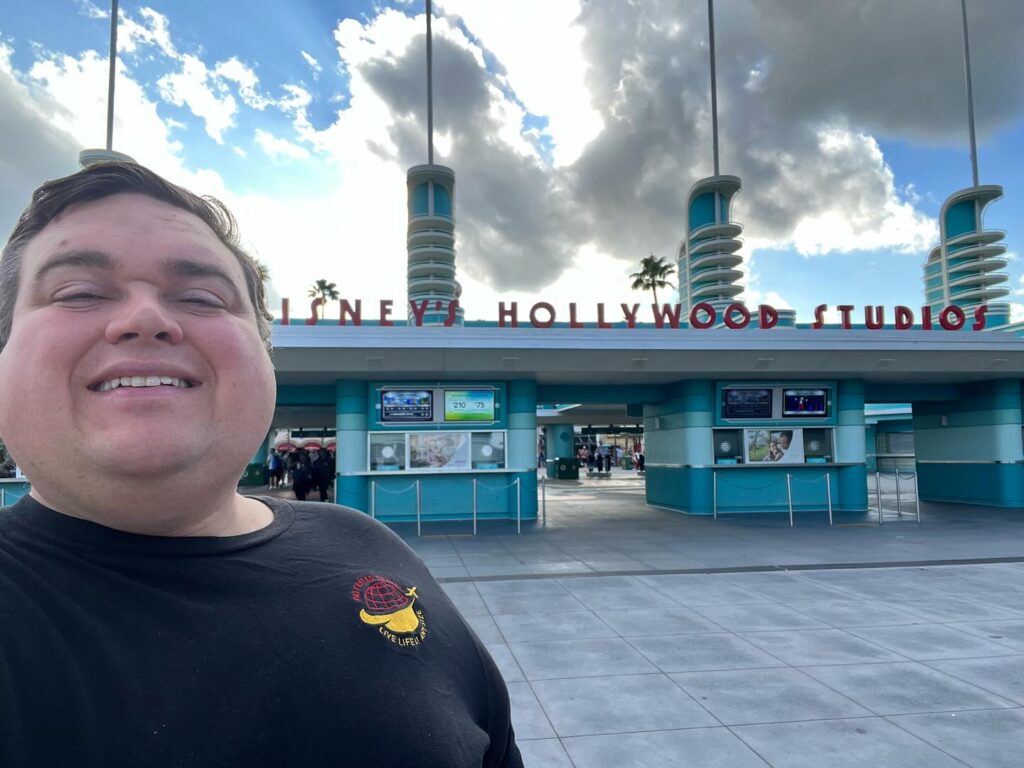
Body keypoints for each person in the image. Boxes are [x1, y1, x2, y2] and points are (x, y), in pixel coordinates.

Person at [0, 161, 521, 767]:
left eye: (200, 297)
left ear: (265, 358)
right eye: (78, 293)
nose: (145, 319)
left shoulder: (367, 544)